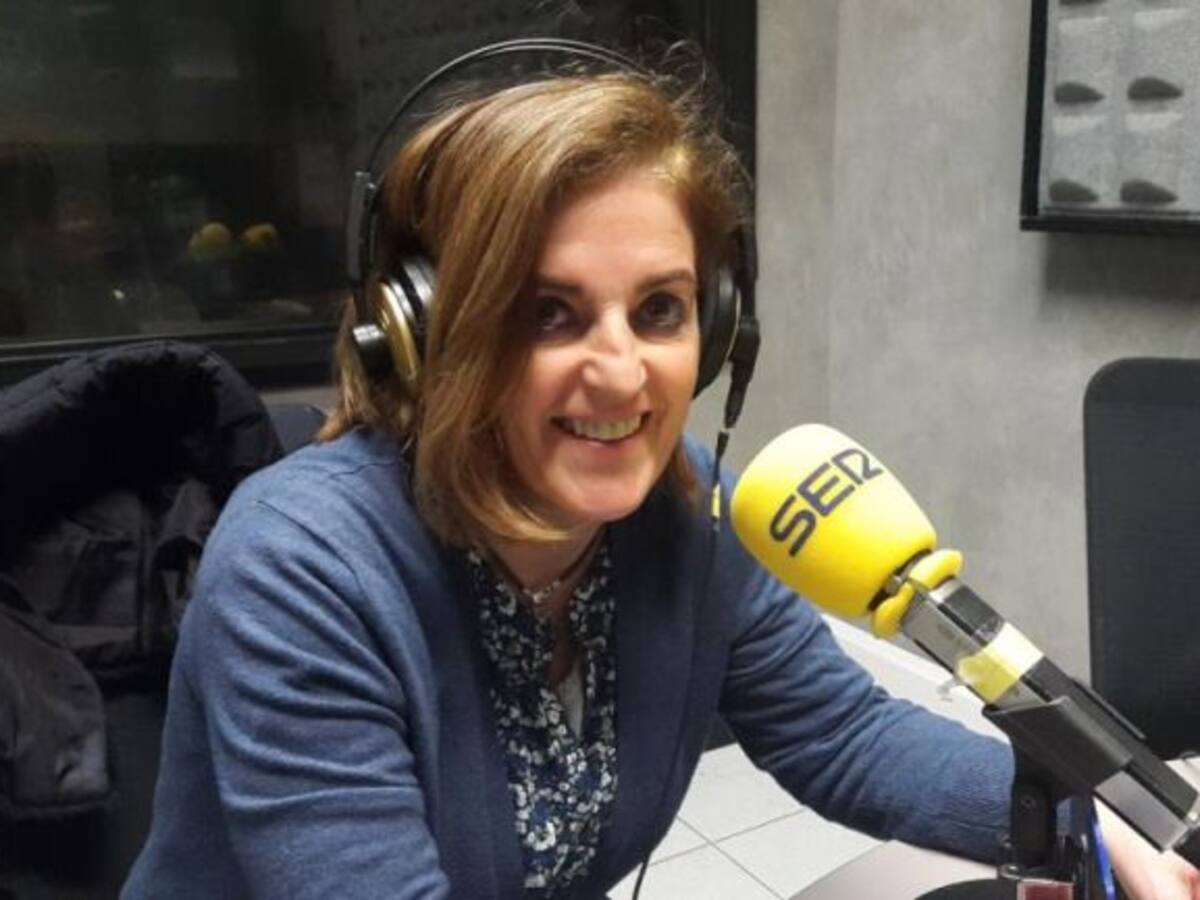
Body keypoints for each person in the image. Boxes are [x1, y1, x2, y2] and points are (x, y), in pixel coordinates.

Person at [122, 63, 1199, 899]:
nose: (622, 372)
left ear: (717, 327)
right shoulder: (302, 570)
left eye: (660, 310)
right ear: (423, 334)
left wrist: (1097, 823)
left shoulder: (687, 508)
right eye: (547, 313)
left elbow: (844, 735)